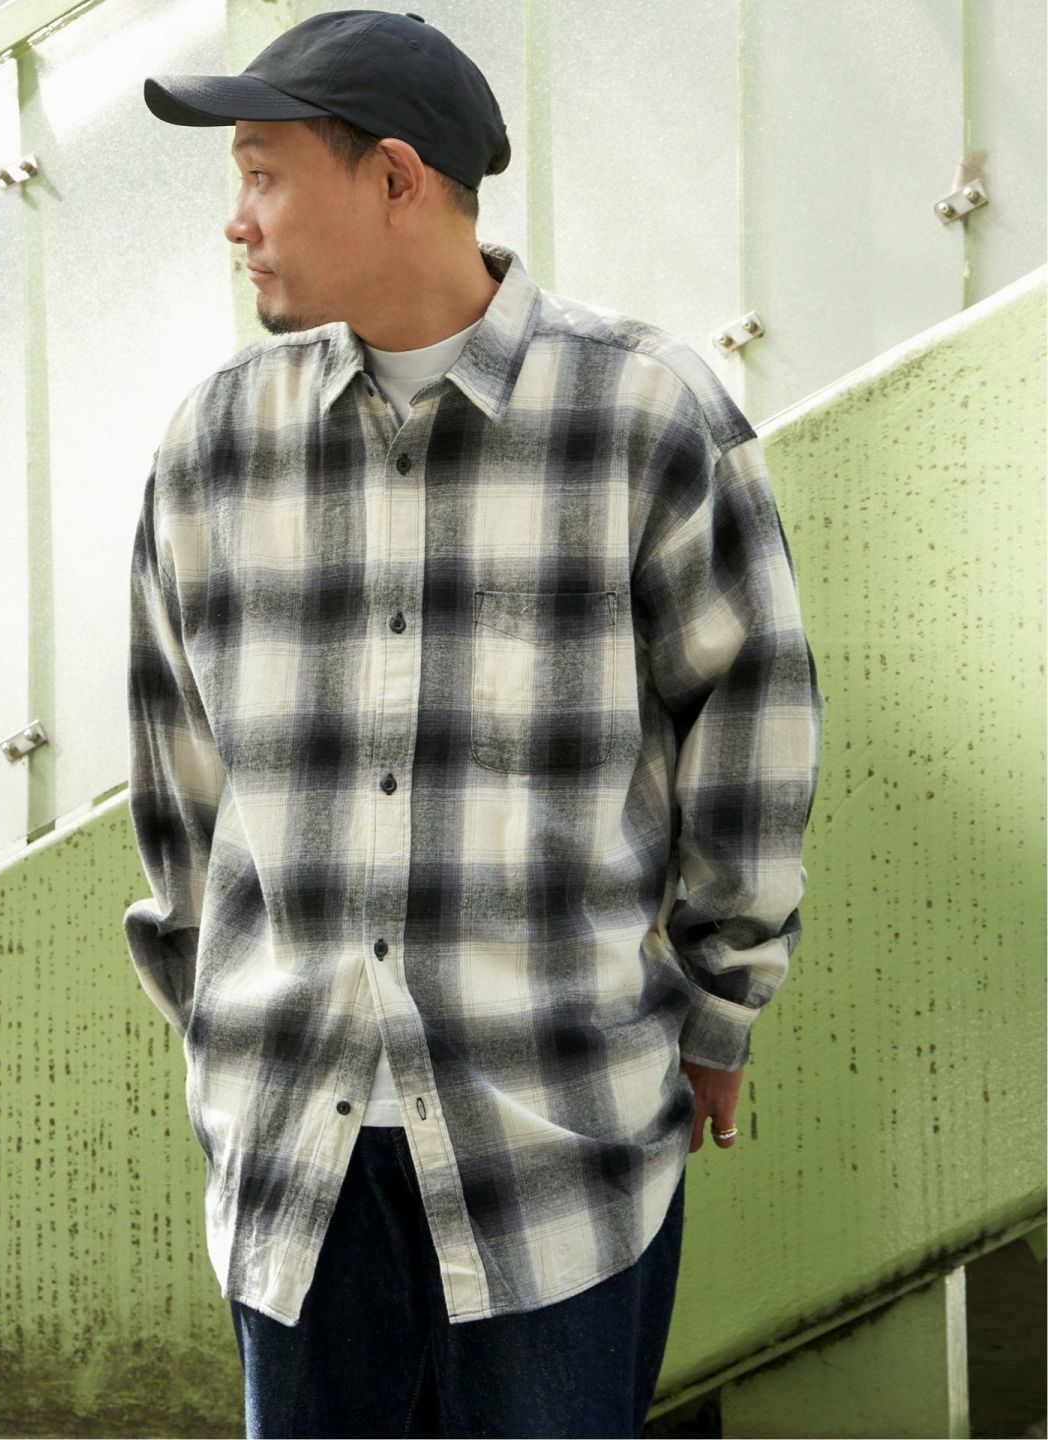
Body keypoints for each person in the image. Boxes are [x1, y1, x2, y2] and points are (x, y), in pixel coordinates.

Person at [126, 10, 825, 1438]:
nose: (235, 221)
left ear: (394, 178)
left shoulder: (644, 416)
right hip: (293, 1165)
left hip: (556, 1147)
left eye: (262, 174)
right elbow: (178, 791)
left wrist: (720, 1008)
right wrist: (231, 1046)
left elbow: (750, 724)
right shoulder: (213, 449)